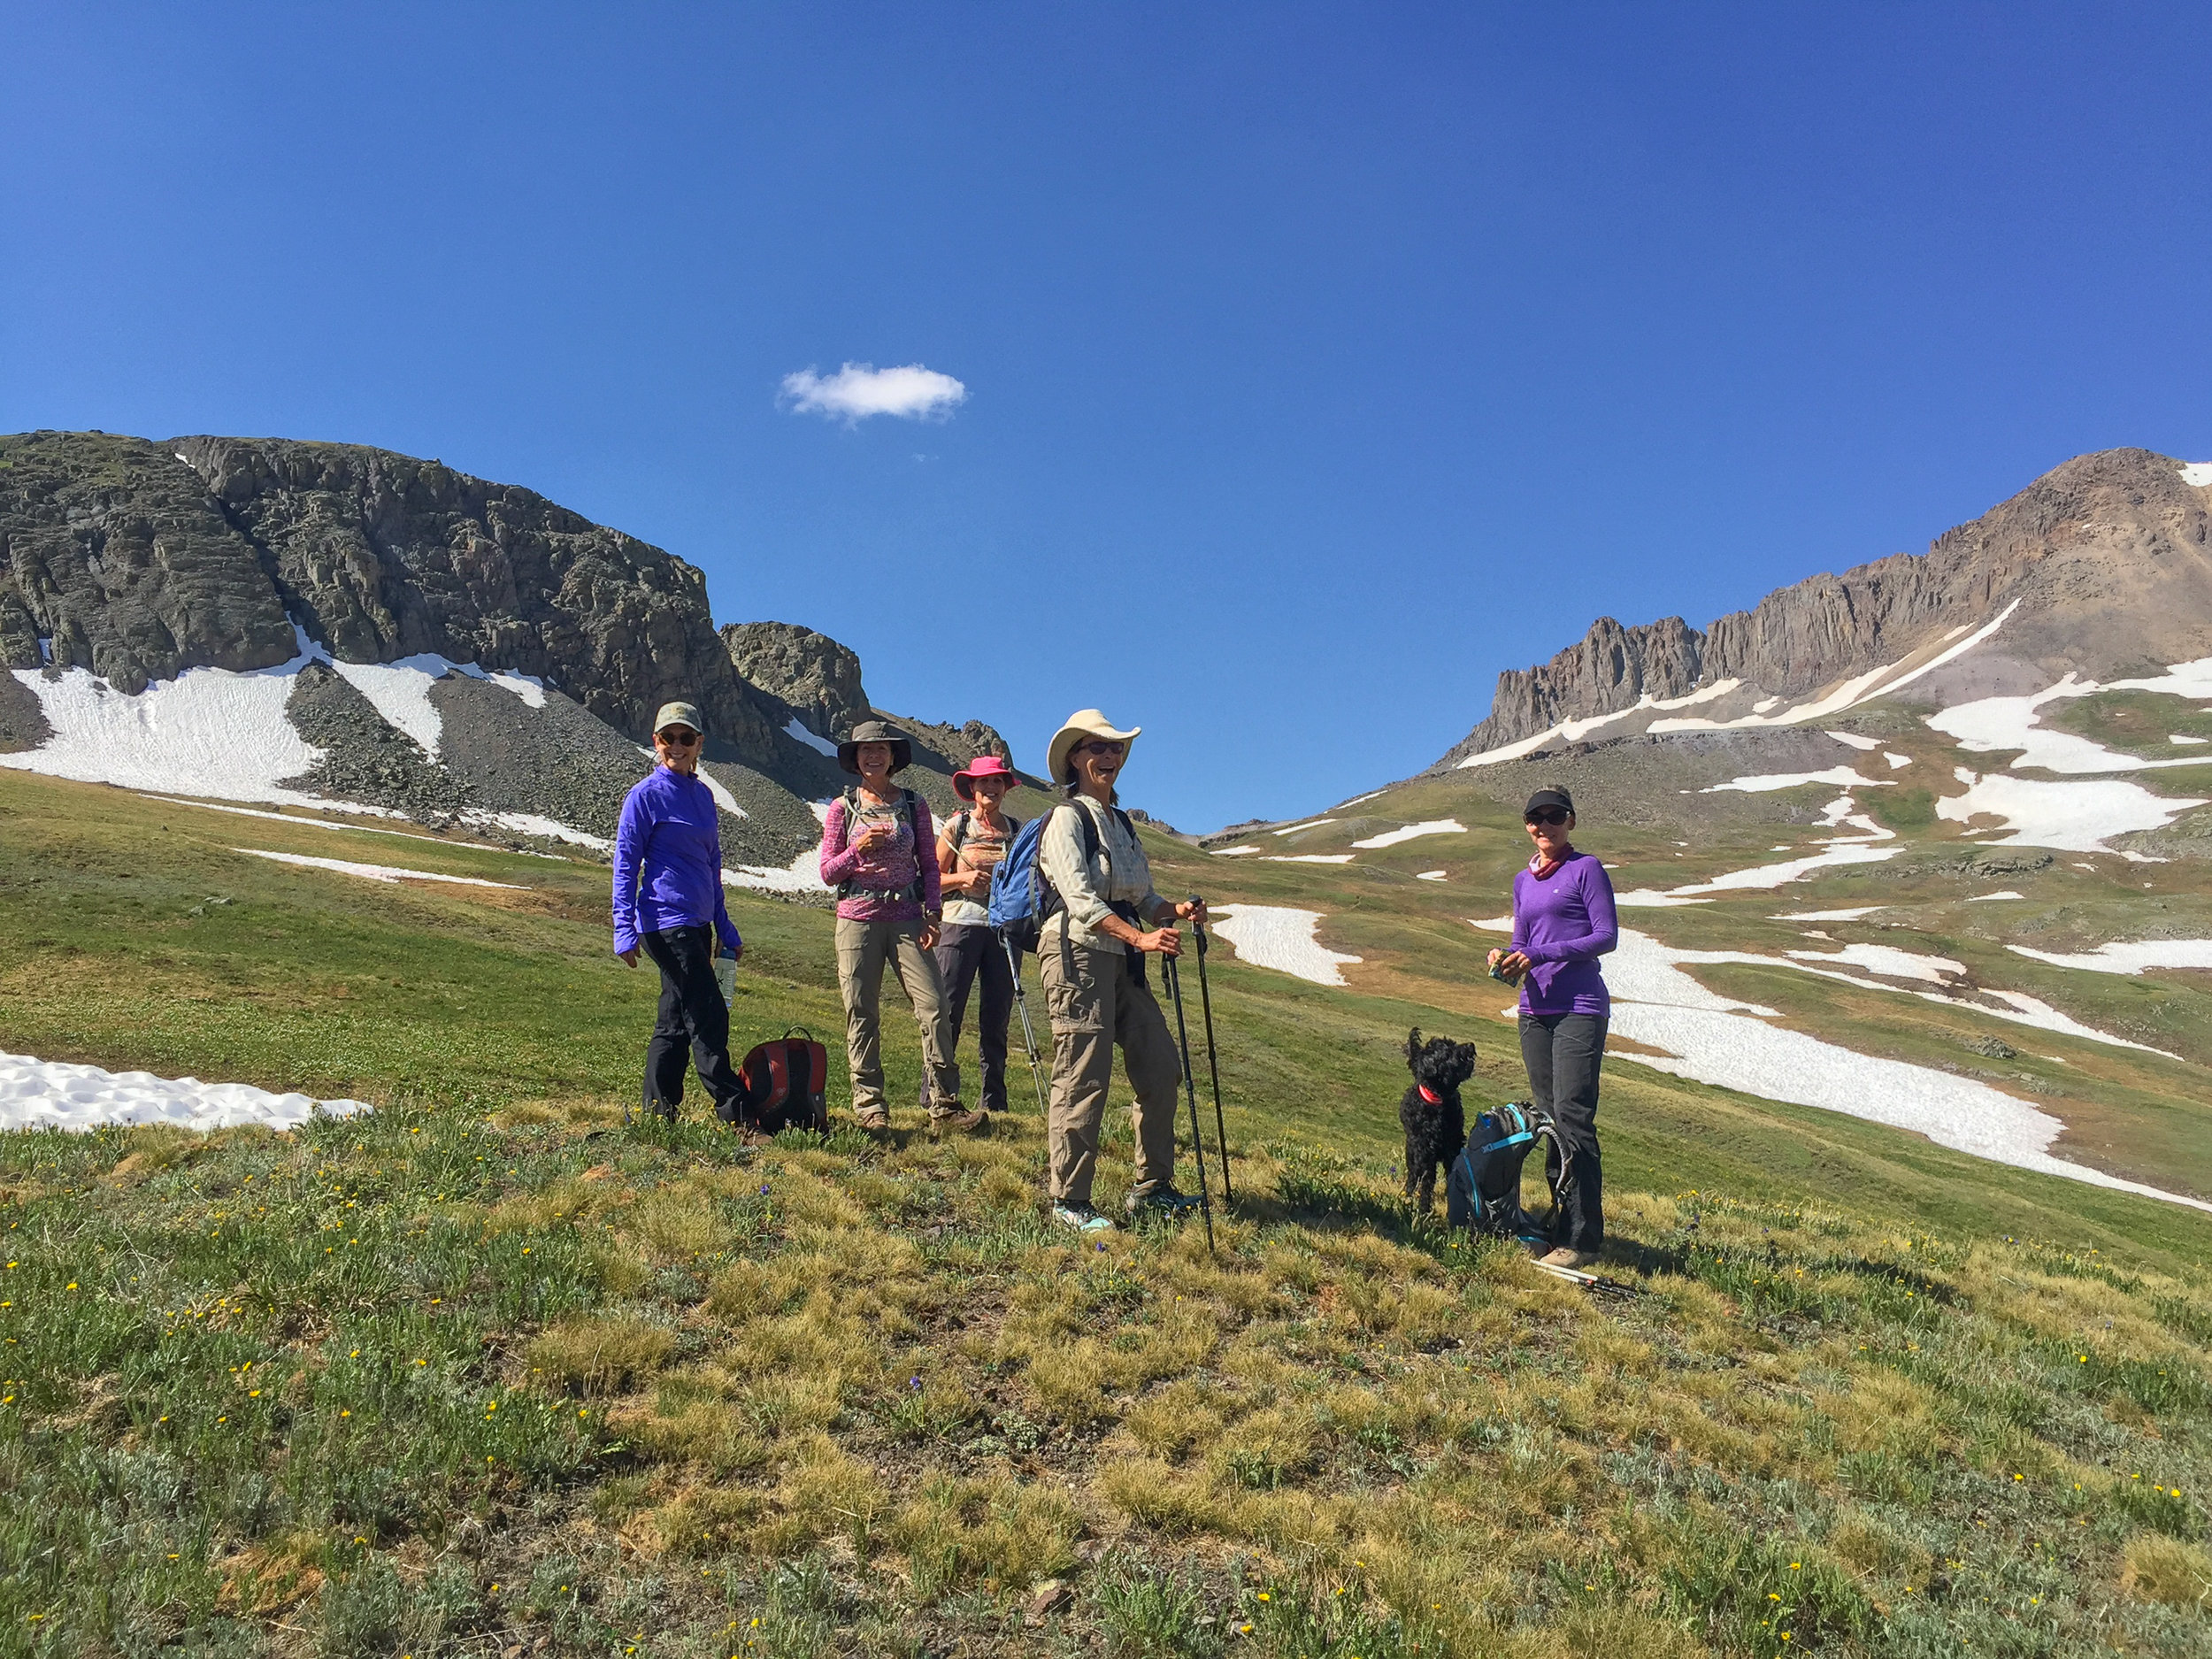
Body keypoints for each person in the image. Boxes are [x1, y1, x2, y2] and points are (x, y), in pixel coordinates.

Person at [1035, 709, 1207, 1233]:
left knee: (1160, 1069)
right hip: (1077, 953)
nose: (1108, 756)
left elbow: (1143, 895)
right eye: (1095, 748)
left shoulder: (1123, 822)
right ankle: (1069, 1200)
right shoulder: (1066, 818)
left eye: (1114, 749)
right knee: (1083, 1076)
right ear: (1074, 759)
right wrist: (1141, 937)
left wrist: (1172, 912)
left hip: (1123, 958)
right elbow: (1082, 901)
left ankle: (1152, 1187)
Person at [817, 719, 979, 1136]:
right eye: (865, 750)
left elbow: (929, 862)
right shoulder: (842, 806)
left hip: (908, 918)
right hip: (857, 919)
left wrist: (933, 913)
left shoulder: (913, 804)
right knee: (861, 1011)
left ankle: (944, 1104)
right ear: (856, 759)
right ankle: (871, 1107)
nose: (873, 756)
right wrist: (857, 850)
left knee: (934, 1007)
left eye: (882, 750)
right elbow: (828, 873)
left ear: (893, 758)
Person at [1486, 786, 1617, 1268]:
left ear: (1571, 821)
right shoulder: (1524, 880)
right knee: (1548, 1118)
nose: (1545, 825)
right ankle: (1556, 1225)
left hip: (1580, 1007)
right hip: (1535, 1011)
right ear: (1526, 825)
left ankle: (1582, 1240)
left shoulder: (1587, 869)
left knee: (1573, 1115)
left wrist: (1539, 954)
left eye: (1555, 816)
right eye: (1535, 818)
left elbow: (1605, 937)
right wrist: (1507, 958)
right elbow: (1525, 938)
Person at [613, 701, 745, 1123]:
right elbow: (625, 863)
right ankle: (736, 1115)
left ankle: (658, 1113)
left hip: (698, 923)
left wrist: (724, 927)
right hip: (665, 923)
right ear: (656, 742)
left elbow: (712, 865)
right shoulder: (644, 796)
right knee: (707, 1015)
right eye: (669, 738)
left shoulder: (704, 796)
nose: (678, 745)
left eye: (686, 738)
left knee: (673, 1020)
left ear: (699, 744)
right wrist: (623, 928)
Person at [923, 754, 1023, 1119]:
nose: (991, 788)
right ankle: (936, 1094)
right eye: (984, 783)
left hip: (1002, 929)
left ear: (1005, 788)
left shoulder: (1016, 830)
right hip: (958, 924)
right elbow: (931, 880)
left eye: (997, 782)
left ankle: (993, 1100)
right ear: (972, 789)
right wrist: (963, 880)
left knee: (997, 1017)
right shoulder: (957, 827)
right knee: (948, 1011)